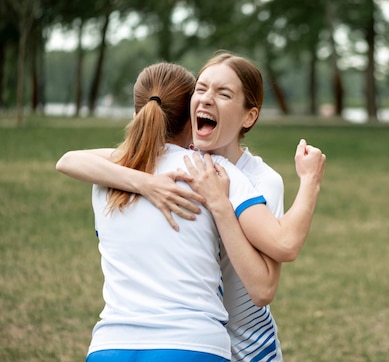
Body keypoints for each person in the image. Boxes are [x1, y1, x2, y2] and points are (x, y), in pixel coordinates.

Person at [57, 52, 326, 361]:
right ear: (186, 109)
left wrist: (307, 181)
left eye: (224, 93)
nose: (207, 99)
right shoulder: (166, 166)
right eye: (200, 88)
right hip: (198, 341)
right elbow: (69, 161)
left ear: (249, 116)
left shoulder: (257, 179)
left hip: (245, 347)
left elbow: (271, 272)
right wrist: (144, 183)